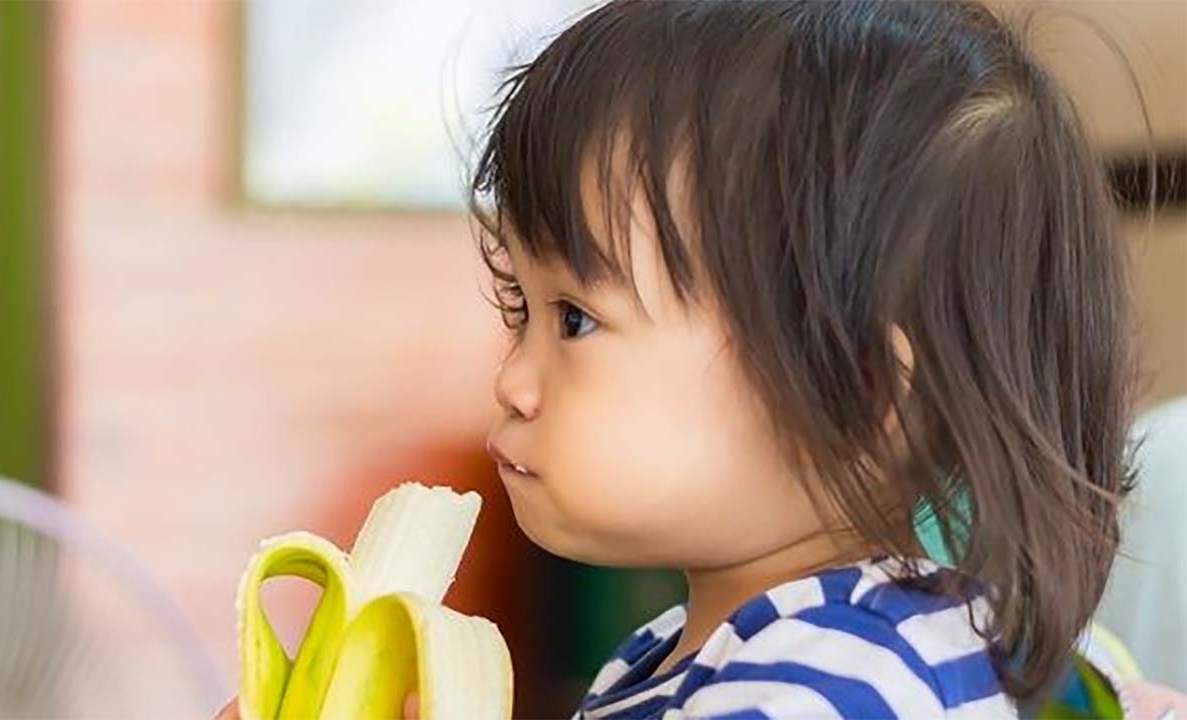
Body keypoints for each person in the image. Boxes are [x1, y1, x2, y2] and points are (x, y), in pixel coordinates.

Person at [472, 1, 1139, 717]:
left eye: (574, 319)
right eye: (521, 308)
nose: (511, 384)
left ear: (860, 390)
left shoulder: (815, 684)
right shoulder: (721, 649)